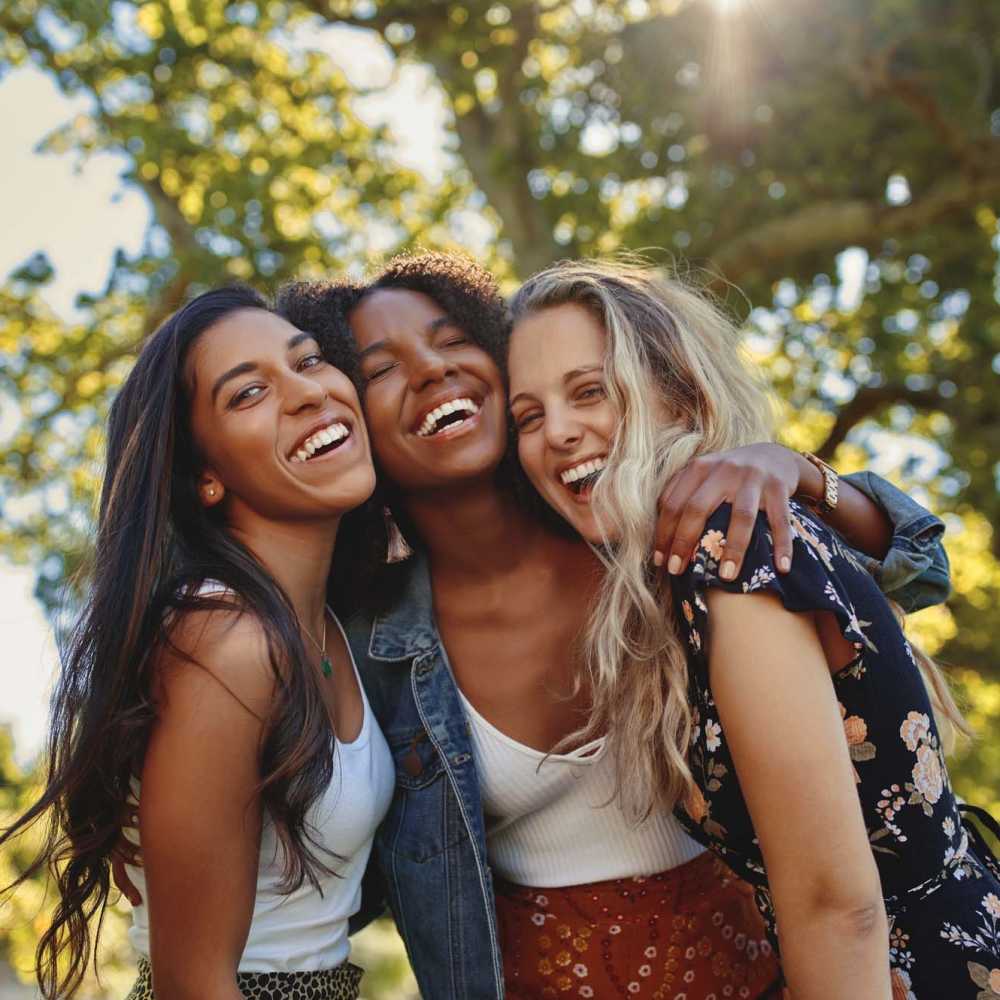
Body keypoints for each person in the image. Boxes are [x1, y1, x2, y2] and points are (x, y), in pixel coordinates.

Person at [275, 252, 953, 1000]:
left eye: (452, 340)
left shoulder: (651, 524)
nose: (432, 369)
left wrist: (798, 471)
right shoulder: (365, 648)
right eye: (381, 369)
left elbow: (913, 573)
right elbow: (320, 883)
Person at [504, 258, 1000, 997]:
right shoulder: (677, 567)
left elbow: (838, 907)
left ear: (679, 392)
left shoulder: (732, 548)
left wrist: (801, 470)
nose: (560, 432)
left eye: (589, 392)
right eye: (529, 416)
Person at [0, 288, 394, 999]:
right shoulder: (226, 642)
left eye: (308, 361)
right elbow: (194, 986)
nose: (308, 392)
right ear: (204, 477)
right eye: (248, 393)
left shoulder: (328, 620)